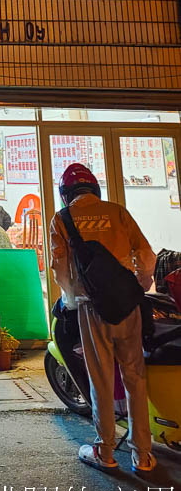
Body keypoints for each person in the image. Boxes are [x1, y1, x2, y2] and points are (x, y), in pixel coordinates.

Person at [49, 162, 157, 474]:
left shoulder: (62, 219)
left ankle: (105, 450)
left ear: (65, 193)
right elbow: (147, 256)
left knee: (101, 378)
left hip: (91, 307)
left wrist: (71, 299)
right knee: (135, 377)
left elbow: (60, 268)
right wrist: (137, 287)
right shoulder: (118, 212)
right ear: (94, 188)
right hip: (127, 307)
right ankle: (144, 455)